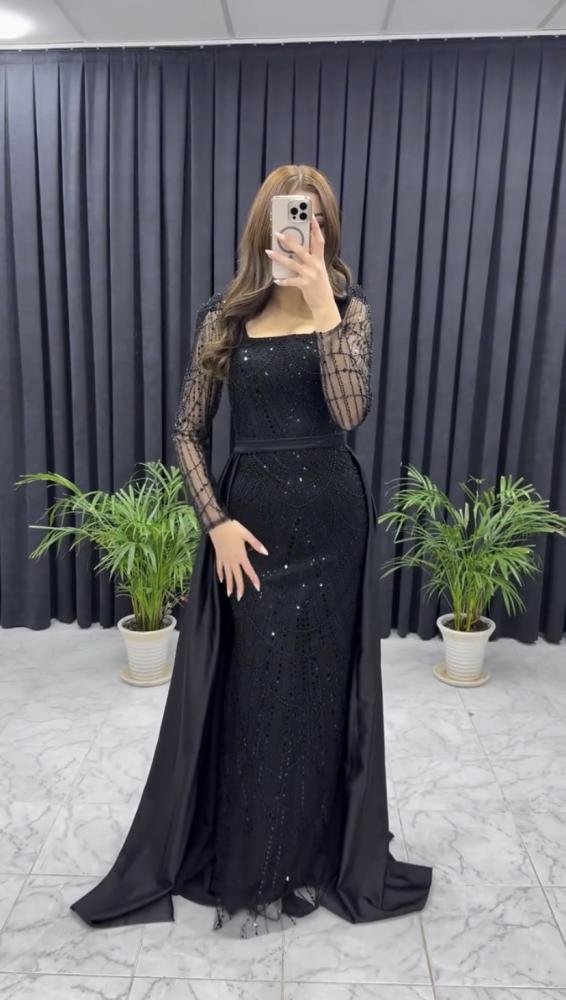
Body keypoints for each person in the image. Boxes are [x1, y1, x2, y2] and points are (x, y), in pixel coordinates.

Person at [70, 163, 433, 938]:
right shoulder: (224, 317)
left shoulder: (350, 311)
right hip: (250, 533)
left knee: (320, 691)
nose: (307, 229)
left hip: (333, 528)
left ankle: (311, 849)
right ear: (265, 226)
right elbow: (186, 431)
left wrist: (323, 305)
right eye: (293, 215)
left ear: (329, 228)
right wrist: (216, 522)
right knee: (255, 691)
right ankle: (252, 849)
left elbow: (350, 412)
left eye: (317, 217)